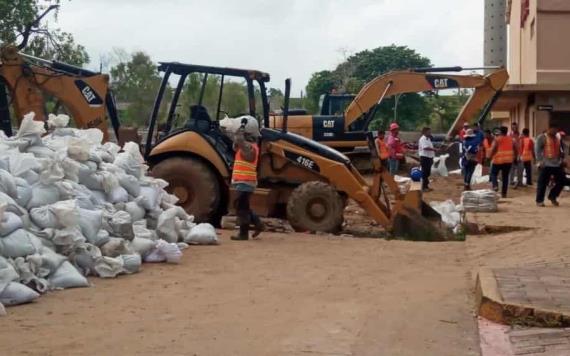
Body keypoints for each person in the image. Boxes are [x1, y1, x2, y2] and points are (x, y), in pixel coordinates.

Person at [229, 117, 265, 240]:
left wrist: (241, 128)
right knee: (243, 206)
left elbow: (239, 139)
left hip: (246, 182)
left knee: (241, 208)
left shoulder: (250, 148)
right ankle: (258, 224)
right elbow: (236, 143)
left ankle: (243, 233)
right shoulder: (247, 147)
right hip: (244, 182)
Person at [535, 124, 565, 207]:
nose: (555, 131)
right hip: (545, 164)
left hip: (556, 164)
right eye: (554, 129)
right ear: (549, 129)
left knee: (562, 180)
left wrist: (562, 160)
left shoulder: (558, 138)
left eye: (556, 130)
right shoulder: (542, 138)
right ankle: (539, 200)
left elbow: (562, 150)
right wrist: (539, 161)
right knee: (542, 183)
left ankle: (552, 196)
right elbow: (537, 150)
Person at [489, 126, 517, 198]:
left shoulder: (497, 139)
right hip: (508, 161)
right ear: (506, 131)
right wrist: (515, 158)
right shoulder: (511, 139)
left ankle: (495, 185)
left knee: (494, 173)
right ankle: (504, 194)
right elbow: (515, 149)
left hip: (498, 160)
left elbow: (493, 149)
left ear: (500, 131)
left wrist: (490, 156)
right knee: (505, 177)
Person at [418, 127, 435, 192]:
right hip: (424, 157)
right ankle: (423, 187)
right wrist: (434, 149)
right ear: (425, 132)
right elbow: (425, 148)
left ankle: (426, 186)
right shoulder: (423, 139)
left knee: (427, 172)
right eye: (429, 131)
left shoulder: (428, 139)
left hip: (429, 157)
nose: (430, 133)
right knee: (425, 173)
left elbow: (429, 147)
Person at [508, 122, 523, 188]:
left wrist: (519, 155)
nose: (514, 128)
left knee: (520, 168)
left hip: (519, 154)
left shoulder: (520, 135)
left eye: (515, 127)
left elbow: (521, 145)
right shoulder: (509, 135)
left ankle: (519, 182)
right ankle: (511, 181)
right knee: (512, 169)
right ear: (511, 127)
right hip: (512, 154)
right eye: (513, 127)